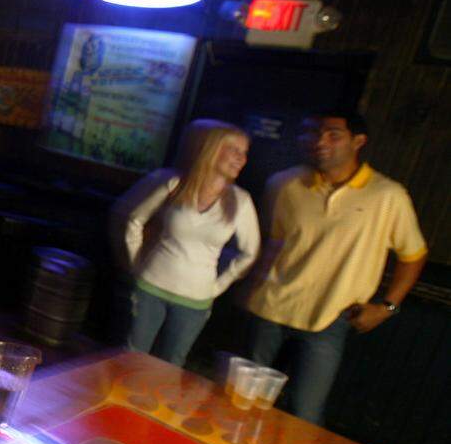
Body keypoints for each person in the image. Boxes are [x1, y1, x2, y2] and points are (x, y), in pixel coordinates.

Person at [244, 111, 427, 425]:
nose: (320, 142)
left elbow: (413, 255)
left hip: (330, 318)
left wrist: (387, 307)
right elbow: (267, 242)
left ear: (358, 141)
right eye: (313, 133)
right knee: (243, 401)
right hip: (270, 308)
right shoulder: (284, 183)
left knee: (304, 413)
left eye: (333, 134)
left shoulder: (388, 195)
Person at [114, 119, 260, 367]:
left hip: (196, 298)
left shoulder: (240, 200)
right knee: (130, 357)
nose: (241, 159)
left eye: (244, 153)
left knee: (170, 366)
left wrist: (217, 286)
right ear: (213, 149)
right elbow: (134, 220)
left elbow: (249, 253)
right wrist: (136, 263)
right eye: (235, 150)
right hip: (151, 286)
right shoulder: (176, 184)